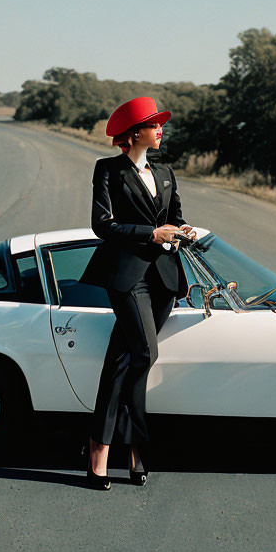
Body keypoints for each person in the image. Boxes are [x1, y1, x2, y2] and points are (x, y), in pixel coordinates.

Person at [78, 96, 194, 490]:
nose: (160, 129)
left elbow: (174, 217)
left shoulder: (165, 171)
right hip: (128, 278)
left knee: (122, 361)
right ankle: (134, 447)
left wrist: (182, 231)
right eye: (154, 124)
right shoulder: (108, 170)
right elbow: (102, 225)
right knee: (146, 352)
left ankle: (101, 450)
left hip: (163, 279)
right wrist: (150, 233)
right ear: (133, 133)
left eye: (160, 124)